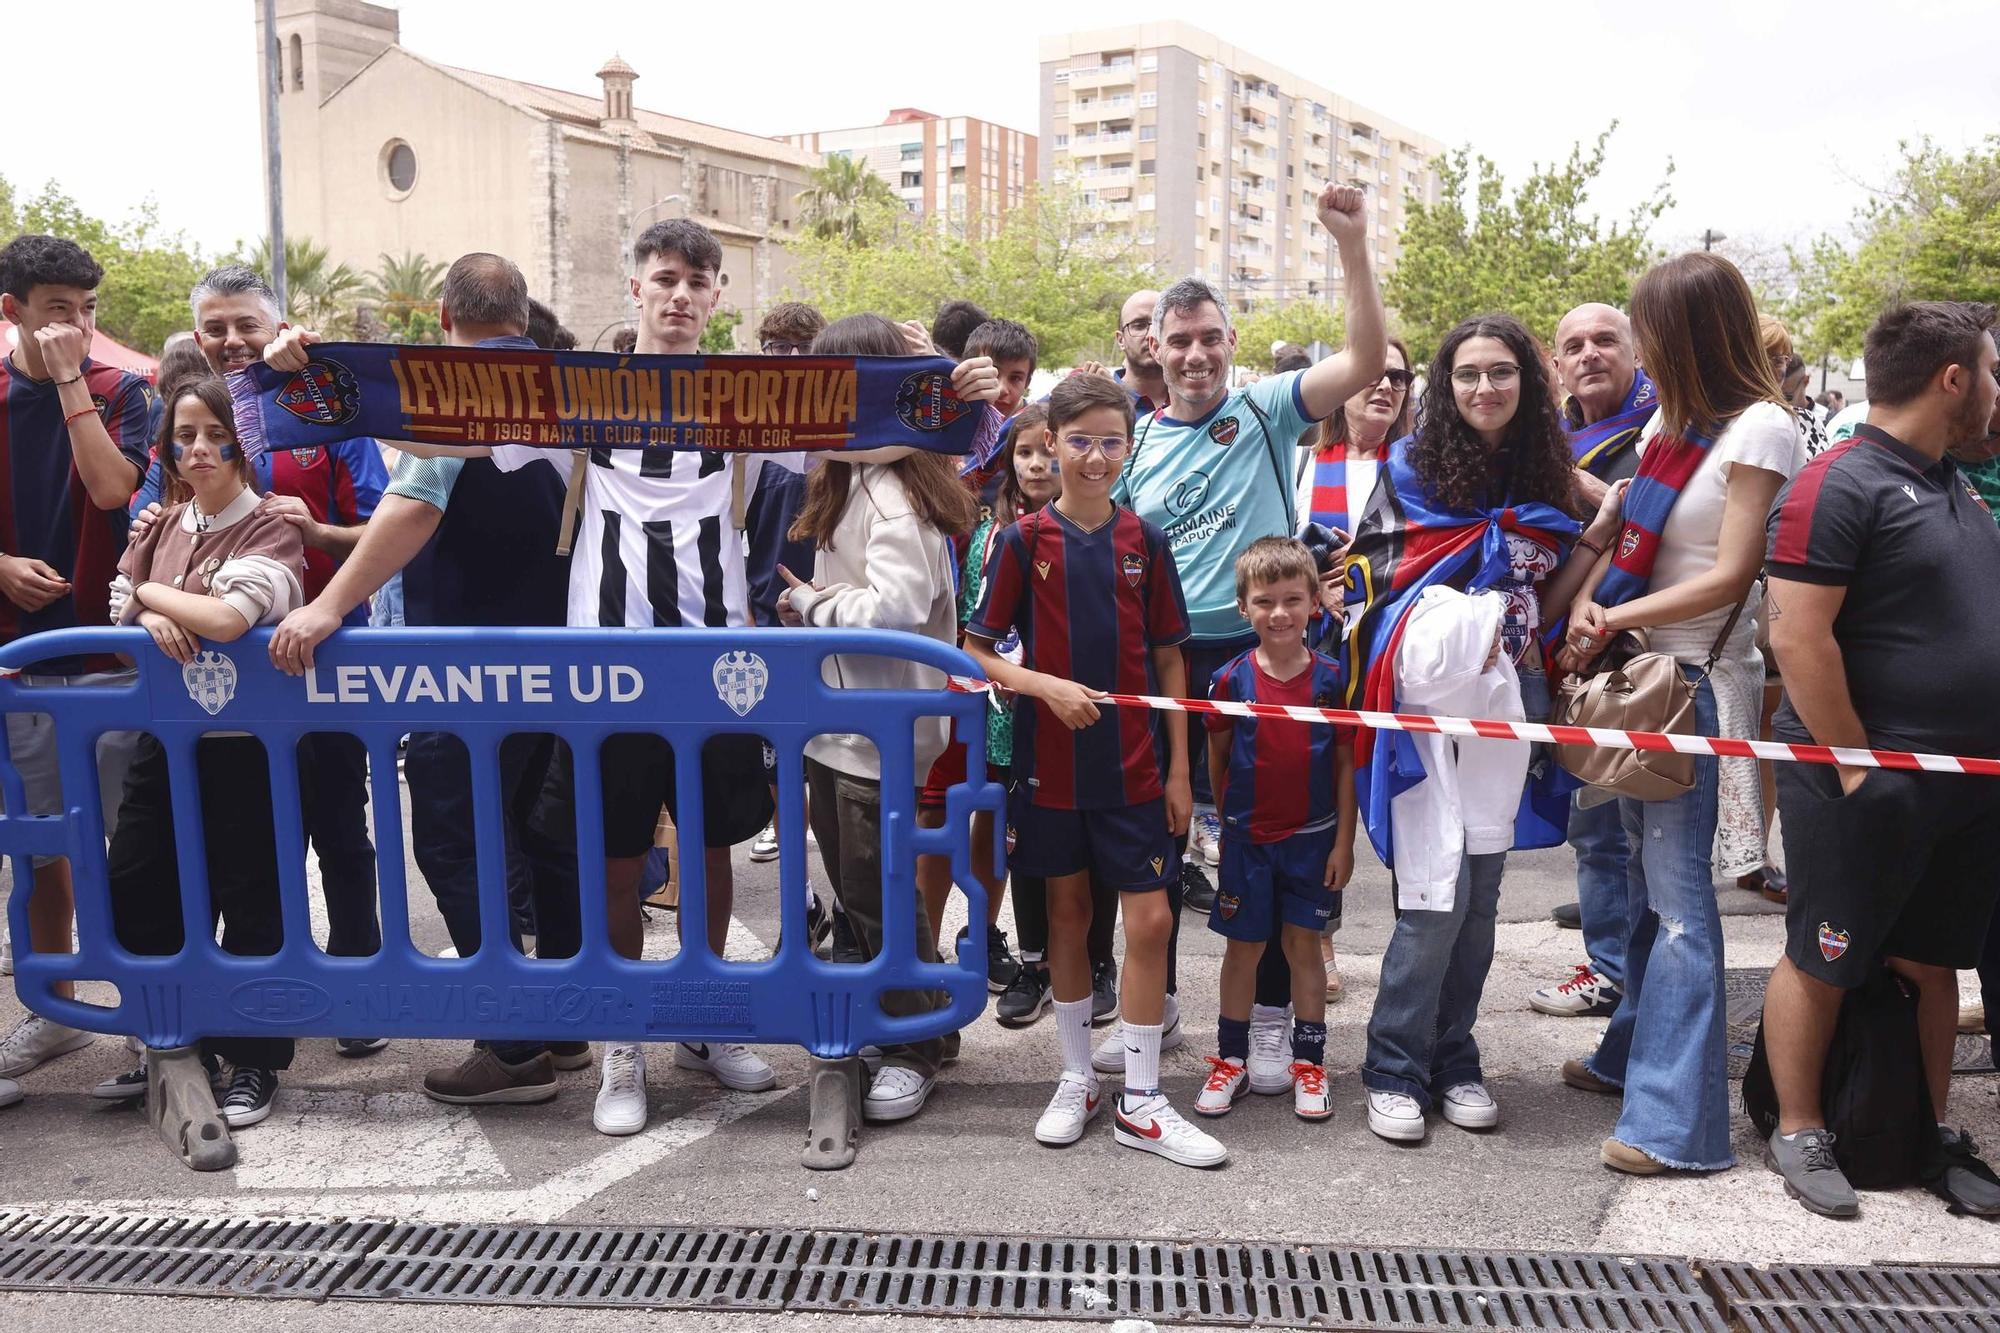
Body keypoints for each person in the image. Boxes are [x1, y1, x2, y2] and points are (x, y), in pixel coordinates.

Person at [266, 253, 586, 1107]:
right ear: (524, 316)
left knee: (459, 842)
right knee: (542, 838)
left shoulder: (455, 396)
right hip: (564, 662)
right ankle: (560, 1025)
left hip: (462, 669)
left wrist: (328, 605)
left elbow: (415, 504)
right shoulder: (570, 392)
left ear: (444, 318)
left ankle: (514, 1047)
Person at [1111, 182, 1386, 1079]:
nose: (1194, 355)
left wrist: (1350, 246)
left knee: (1275, 831)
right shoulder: (1136, 444)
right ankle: (1163, 1006)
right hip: (1169, 662)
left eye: (1208, 339)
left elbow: (1367, 357)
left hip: (1266, 652)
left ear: (1230, 344)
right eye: (1177, 341)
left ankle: (1273, 1024)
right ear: (1154, 349)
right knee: (1164, 827)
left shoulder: (1266, 407)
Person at [1559, 252, 1806, 1177]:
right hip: (1638, 676)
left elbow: (1732, 572)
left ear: (1687, 331)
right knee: (1635, 890)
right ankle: (1630, 1058)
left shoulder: (1761, 428)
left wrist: (1609, 612)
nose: (1639, 344)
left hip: (1693, 685)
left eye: (1646, 325)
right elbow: (1634, 534)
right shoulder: (1677, 418)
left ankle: (1677, 1128)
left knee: (1682, 912)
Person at [1352, 312, 1620, 1144]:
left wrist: (1599, 536)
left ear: (1528, 383)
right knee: (1433, 897)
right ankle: (1393, 1065)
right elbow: (1372, 575)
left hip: (1515, 699)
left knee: (1481, 899)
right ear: (1445, 384)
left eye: (1501, 372)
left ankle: (1455, 1057)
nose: (1484, 388)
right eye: (1467, 374)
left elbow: (1542, 594)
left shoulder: (1550, 473)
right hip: (1428, 711)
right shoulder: (1408, 468)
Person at [1758, 300, 2000, 1219]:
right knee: (1823, 954)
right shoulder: (1837, 483)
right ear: (1953, 379)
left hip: (1965, 789)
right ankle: (1800, 1126)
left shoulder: (1953, 482)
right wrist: (1858, 768)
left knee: (1934, 961)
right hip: (1863, 783)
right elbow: (1798, 637)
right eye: (1990, 372)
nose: (1995, 392)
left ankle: (1924, 1130)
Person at [132, 265, 390, 1057]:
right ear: (199, 339)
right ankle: (230, 1010)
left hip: (327, 662)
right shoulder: (187, 428)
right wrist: (147, 607)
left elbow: (389, 530)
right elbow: (144, 541)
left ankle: (356, 997)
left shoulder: (327, 408)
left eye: (246, 324)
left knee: (340, 831)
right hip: (214, 684)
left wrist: (315, 535)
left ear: (277, 323)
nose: (232, 340)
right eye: (216, 328)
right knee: (237, 849)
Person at [965, 373, 1222, 1168]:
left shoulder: (1145, 541)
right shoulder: (1021, 541)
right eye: (1079, 441)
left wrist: (1181, 769)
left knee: (1151, 921)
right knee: (1069, 919)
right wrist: (1042, 684)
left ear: (1129, 445)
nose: (1096, 456)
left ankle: (1141, 1097)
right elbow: (977, 649)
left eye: (1112, 441)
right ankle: (1078, 1075)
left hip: (1137, 765)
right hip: (1049, 769)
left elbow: (1172, 658)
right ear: (1051, 445)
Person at [775, 312, 980, 1130]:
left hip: (874, 729)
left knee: (875, 888)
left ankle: (914, 1046)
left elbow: (893, 607)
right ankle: (923, 1014)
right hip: (851, 722)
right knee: (875, 885)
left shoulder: (889, 488)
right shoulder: (861, 476)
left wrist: (810, 600)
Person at [102, 375, 305, 1125]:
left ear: (244, 442)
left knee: (251, 896)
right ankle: (177, 1044)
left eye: (214, 432)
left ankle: (255, 1057)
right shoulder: (160, 523)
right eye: (182, 436)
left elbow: (224, 619)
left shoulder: (270, 526)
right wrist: (141, 609)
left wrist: (151, 600)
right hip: (164, 738)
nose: (198, 448)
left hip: (247, 747)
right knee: (137, 878)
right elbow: (115, 605)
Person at [0, 234, 150, 1099]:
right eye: (61, 308)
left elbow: (111, 489)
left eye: (89, 309)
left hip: (109, 651)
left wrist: (66, 383)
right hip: (19, 665)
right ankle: (52, 1006)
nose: (80, 324)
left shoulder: (119, 389)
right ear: (12, 310)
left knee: (132, 843)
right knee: (43, 845)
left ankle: (143, 1011)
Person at [1193, 537, 1356, 1123]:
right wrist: (1229, 823)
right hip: (1247, 841)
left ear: (1316, 601)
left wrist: (1343, 841)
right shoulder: (1228, 682)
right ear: (1244, 608)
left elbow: (1343, 766)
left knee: (1304, 949)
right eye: (1265, 601)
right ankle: (1230, 1060)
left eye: (1293, 599)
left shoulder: (1333, 681)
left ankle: (1309, 1065)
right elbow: (1217, 759)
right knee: (1243, 950)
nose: (1280, 613)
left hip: (1313, 841)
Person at [1529, 303, 1657, 1021]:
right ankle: (1615, 965)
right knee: (1597, 826)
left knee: (1620, 831)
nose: (1590, 354)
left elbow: (1647, 529)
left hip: (1633, 659)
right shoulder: (1557, 432)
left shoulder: (1661, 430)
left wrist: (1582, 487)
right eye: (1573, 344)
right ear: (1556, 362)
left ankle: (1619, 975)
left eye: (1605, 340)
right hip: (1564, 656)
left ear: (1636, 351)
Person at [743, 301, 828, 872]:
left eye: (803, 349)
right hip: (765, 613)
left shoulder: (844, 443)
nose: (791, 360)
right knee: (776, 746)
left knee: (828, 750)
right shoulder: (749, 442)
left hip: (830, 614)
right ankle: (785, 836)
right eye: (778, 350)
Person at [1112, 290, 1165, 417]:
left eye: (1160, 325)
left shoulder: (1196, 401)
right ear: (1120, 340)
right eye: (1139, 325)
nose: (1152, 335)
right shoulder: (1095, 402)